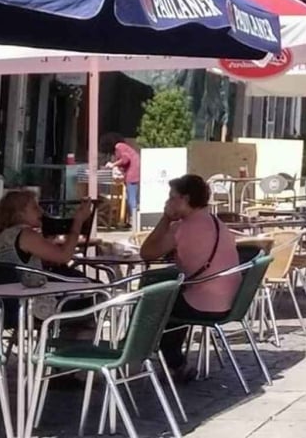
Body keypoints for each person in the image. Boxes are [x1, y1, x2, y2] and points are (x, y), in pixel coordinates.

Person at [140, 175, 242, 377]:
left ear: (185, 199)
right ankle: (175, 362)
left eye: (172, 197)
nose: (167, 202)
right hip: (229, 301)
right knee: (174, 299)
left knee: (154, 301)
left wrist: (166, 218)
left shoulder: (182, 228)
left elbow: (147, 252)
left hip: (205, 304)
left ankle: (139, 352)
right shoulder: (215, 222)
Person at [103, 135, 141, 219]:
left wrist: (113, 165)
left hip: (132, 174)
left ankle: (134, 219)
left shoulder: (119, 146)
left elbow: (125, 159)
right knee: (131, 195)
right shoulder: (124, 146)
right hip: (134, 172)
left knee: (131, 196)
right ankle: (132, 218)